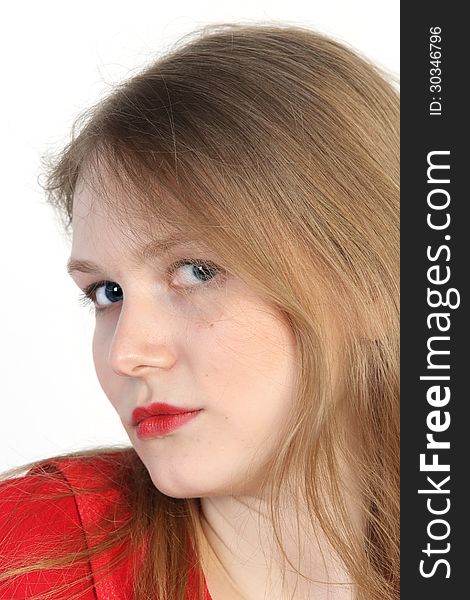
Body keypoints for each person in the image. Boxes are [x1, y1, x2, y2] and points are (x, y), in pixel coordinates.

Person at [0, 21, 399, 600]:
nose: (127, 354)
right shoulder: (34, 559)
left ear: (371, 285)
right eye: (107, 292)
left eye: (196, 272)